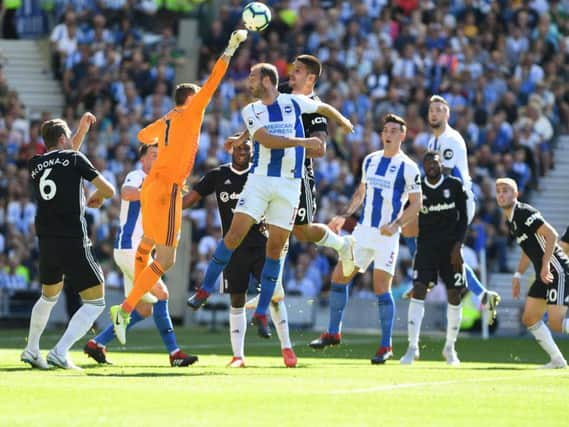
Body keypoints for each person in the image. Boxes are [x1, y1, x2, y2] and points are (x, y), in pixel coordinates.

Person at [187, 62, 354, 340]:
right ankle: (204, 288)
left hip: (290, 186)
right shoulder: (250, 109)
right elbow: (265, 138)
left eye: (252, 76)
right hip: (260, 181)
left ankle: (262, 311)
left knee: (275, 249)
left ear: (266, 80)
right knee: (233, 235)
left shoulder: (293, 102)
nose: (247, 82)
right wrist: (303, 143)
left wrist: (343, 121)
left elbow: (322, 108)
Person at [109, 29, 249, 344]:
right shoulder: (191, 110)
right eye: (197, 95)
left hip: (151, 187)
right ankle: (127, 307)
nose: (202, 98)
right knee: (168, 258)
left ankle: (128, 303)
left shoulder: (169, 118)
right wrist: (230, 48)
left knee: (148, 243)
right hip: (170, 187)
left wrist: (167, 129)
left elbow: (143, 136)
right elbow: (215, 78)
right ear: (190, 98)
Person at [235, 54, 355, 310]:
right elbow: (262, 114)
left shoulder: (314, 108)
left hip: (297, 176)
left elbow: (320, 148)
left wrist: (290, 147)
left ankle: (342, 244)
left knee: (300, 230)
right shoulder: (285, 93)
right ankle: (274, 288)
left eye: (298, 71)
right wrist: (245, 135)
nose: (292, 74)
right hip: (270, 174)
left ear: (311, 78)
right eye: (292, 69)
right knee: (275, 230)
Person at [309, 114, 422, 364]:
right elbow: (361, 192)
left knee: (381, 288)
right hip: (363, 231)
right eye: (386, 130)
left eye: (394, 130)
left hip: (386, 236)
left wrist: (396, 225)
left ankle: (385, 346)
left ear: (402, 135)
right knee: (339, 277)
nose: (389, 134)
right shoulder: (370, 160)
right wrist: (343, 216)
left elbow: (417, 204)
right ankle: (333, 332)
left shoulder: (408, 167)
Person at [183, 140, 297, 368]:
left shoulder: (260, 175)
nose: (242, 151)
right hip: (234, 248)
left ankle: (287, 348)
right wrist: (168, 204)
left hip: (261, 244)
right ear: (230, 150)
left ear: (253, 152)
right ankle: (238, 356)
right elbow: (191, 198)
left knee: (274, 294)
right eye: (238, 148)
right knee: (237, 298)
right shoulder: (218, 175)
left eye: (246, 148)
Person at [84, 144, 197, 367]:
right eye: (153, 155)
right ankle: (175, 353)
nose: (158, 159)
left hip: (140, 252)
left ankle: (97, 343)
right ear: (143, 160)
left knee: (144, 309)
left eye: (160, 156)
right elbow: (127, 193)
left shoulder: (160, 182)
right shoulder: (137, 175)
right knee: (162, 294)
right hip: (130, 249)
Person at [21, 113, 116, 370]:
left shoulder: (35, 163)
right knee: (97, 301)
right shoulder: (73, 157)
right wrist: (99, 197)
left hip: (47, 240)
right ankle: (60, 352)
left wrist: (80, 132)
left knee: (48, 296)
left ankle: (31, 349)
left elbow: (63, 159)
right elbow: (109, 189)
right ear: (63, 138)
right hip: (73, 237)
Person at [423, 95, 501, 322]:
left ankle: (426, 278)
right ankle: (484, 295)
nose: (434, 113)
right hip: (445, 200)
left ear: (447, 114)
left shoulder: (451, 139)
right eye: (431, 110)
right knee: (449, 255)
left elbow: (447, 175)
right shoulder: (432, 142)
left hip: (457, 200)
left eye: (439, 109)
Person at [400, 151, 467, 366]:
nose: (431, 166)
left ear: (441, 164)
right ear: (423, 166)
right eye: (428, 163)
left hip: (451, 248)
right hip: (426, 247)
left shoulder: (454, 185)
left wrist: (459, 244)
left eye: (435, 163)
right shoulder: (417, 187)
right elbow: (408, 215)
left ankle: (450, 348)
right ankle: (412, 347)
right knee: (419, 289)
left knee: (454, 294)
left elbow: (464, 217)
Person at [496, 178, 569, 369]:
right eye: (499, 191)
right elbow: (527, 250)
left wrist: (545, 265)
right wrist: (518, 275)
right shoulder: (511, 220)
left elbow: (551, 234)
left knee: (556, 323)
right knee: (530, 317)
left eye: (506, 190)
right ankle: (557, 360)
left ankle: (557, 361)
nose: (501, 194)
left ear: (516, 194)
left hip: (556, 270)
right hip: (543, 273)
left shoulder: (523, 212)